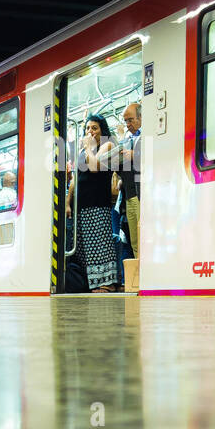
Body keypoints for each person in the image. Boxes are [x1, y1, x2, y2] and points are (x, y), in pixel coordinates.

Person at [66, 114, 120, 292]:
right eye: (88, 128)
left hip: (97, 203)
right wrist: (67, 202)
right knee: (84, 246)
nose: (90, 131)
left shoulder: (107, 145)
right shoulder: (83, 152)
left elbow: (95, 167)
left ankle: (107, 282)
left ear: (102, 131)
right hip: (81, 205)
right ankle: (91, 283)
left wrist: (89, 148)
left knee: (99, 242)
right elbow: (75, 179)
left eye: (94, 128)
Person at [116, 102, 143, 258]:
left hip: (140, 195)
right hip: (129, 195)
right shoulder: (128, 139)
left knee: (142, 238)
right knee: (134, 241)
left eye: (130, 120)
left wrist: (134, 155)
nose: (127, 124)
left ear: (141, 117)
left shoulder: (147, 136)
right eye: (125, 121)